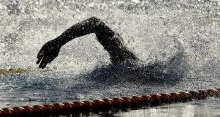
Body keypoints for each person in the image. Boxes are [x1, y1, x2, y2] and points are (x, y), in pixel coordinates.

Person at [36, 17, 186, 83]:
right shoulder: (125, 62)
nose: (102, 43)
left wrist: (58, 42)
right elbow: (95, 23)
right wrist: (58, 42)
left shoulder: (130, 66)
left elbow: (96, 24)